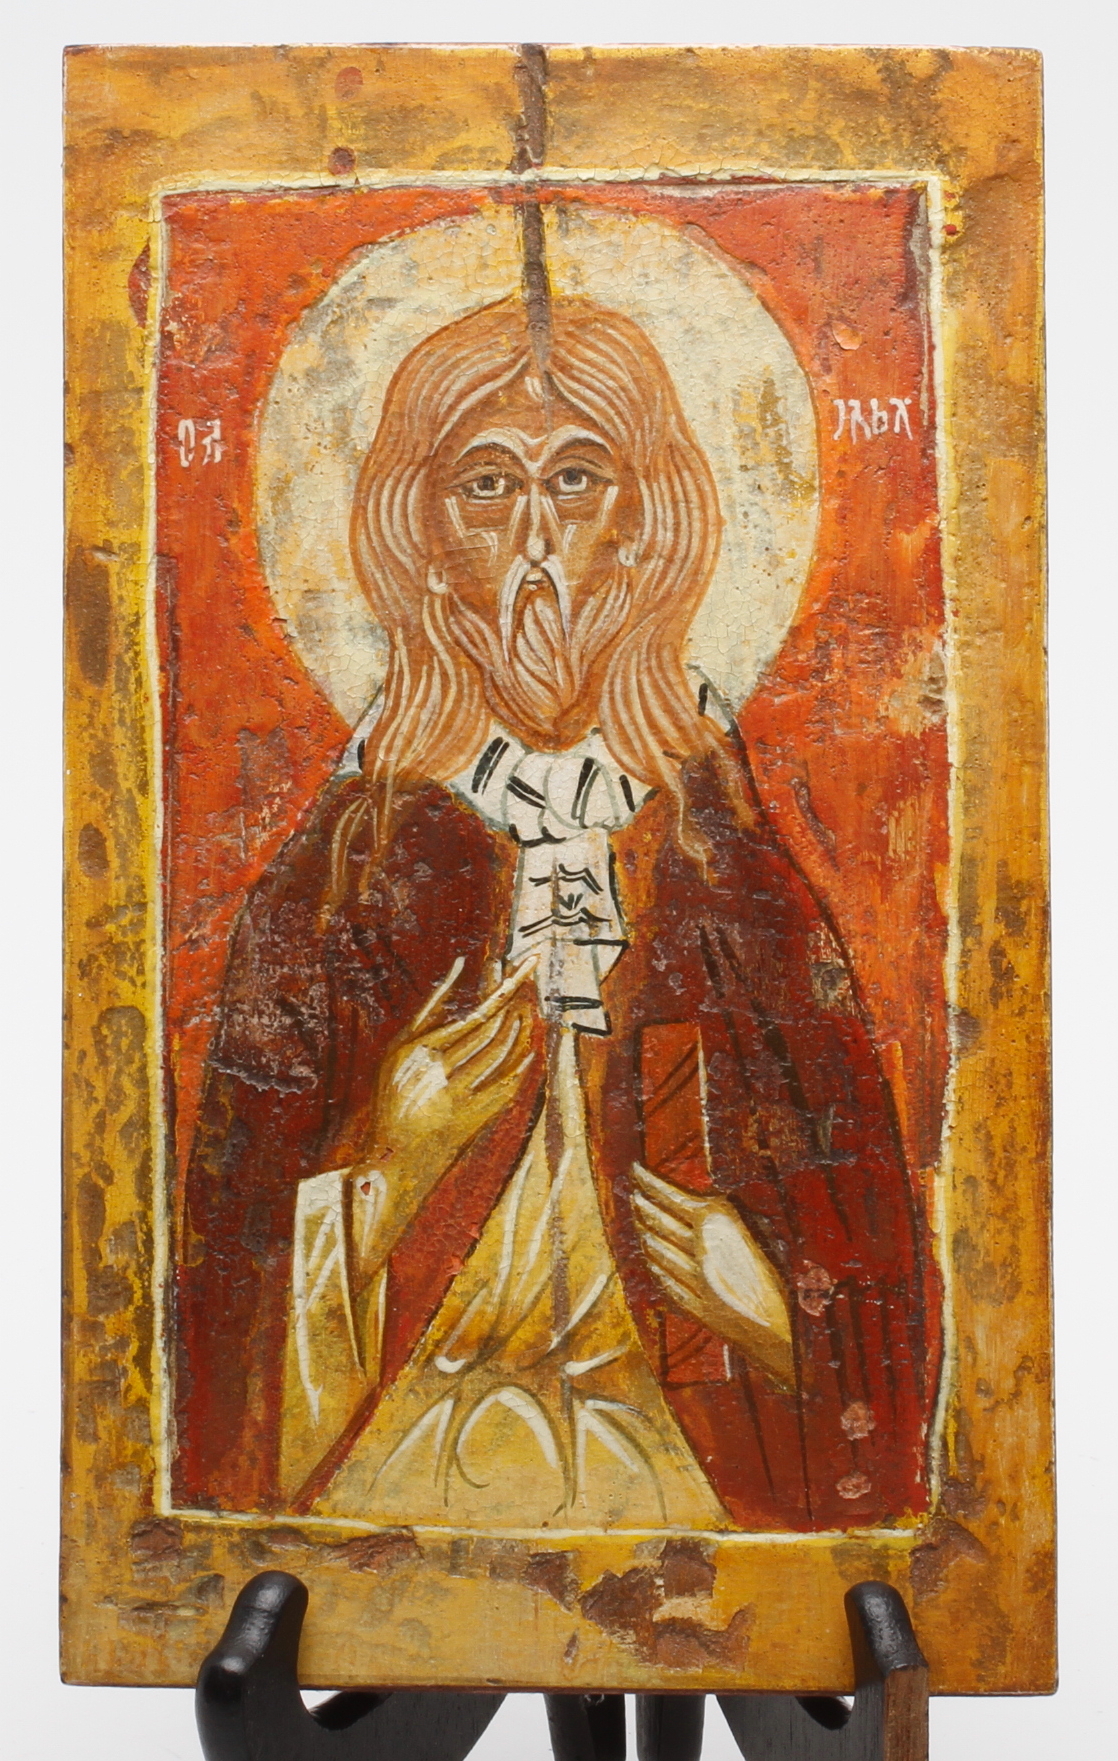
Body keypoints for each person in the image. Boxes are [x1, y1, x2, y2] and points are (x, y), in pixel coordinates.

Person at [173, 293, 938, 1532]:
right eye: (485, 486)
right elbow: (220, 1340)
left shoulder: (723, 868)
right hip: (393, 1482)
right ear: (421, 538)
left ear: (643, 527)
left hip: (687, 1495)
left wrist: (768, 1308)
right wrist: (391, 1170)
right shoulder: (345, 877)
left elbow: (871, 1301)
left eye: (575, 480)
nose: (534, 536)